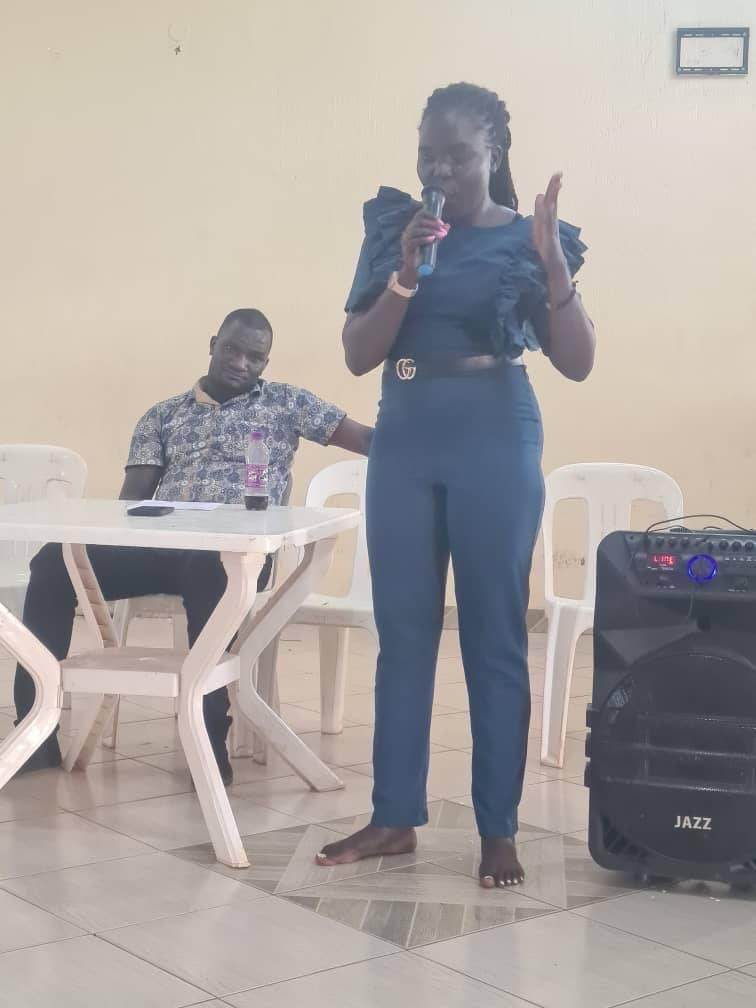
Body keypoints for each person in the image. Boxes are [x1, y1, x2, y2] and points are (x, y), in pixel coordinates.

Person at [317, 83, 595, 887]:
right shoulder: (394, 230)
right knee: (402, 631)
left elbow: (578, 362)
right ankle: (394, 816)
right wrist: (405, 275)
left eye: (457, 155)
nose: (439, 169)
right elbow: (357, 355)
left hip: (493, 433)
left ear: (493, 153)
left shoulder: (530, 239)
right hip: (405, 434)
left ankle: (498, 829)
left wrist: (552, 265)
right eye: (428, 155)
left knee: (493, 634)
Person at [14, 307, 372, 783]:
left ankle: (206, 739)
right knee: (53, 564)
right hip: (162, 547)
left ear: (266, 363)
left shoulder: (287, 403)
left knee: (212, 571)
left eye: (254, 357)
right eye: (232, 349)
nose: (241, 363)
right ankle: (35, 733)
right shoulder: (163, 415)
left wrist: (429, 437)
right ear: (212, 345)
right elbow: (131, 505)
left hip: (235, 554)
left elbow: (366, 439)